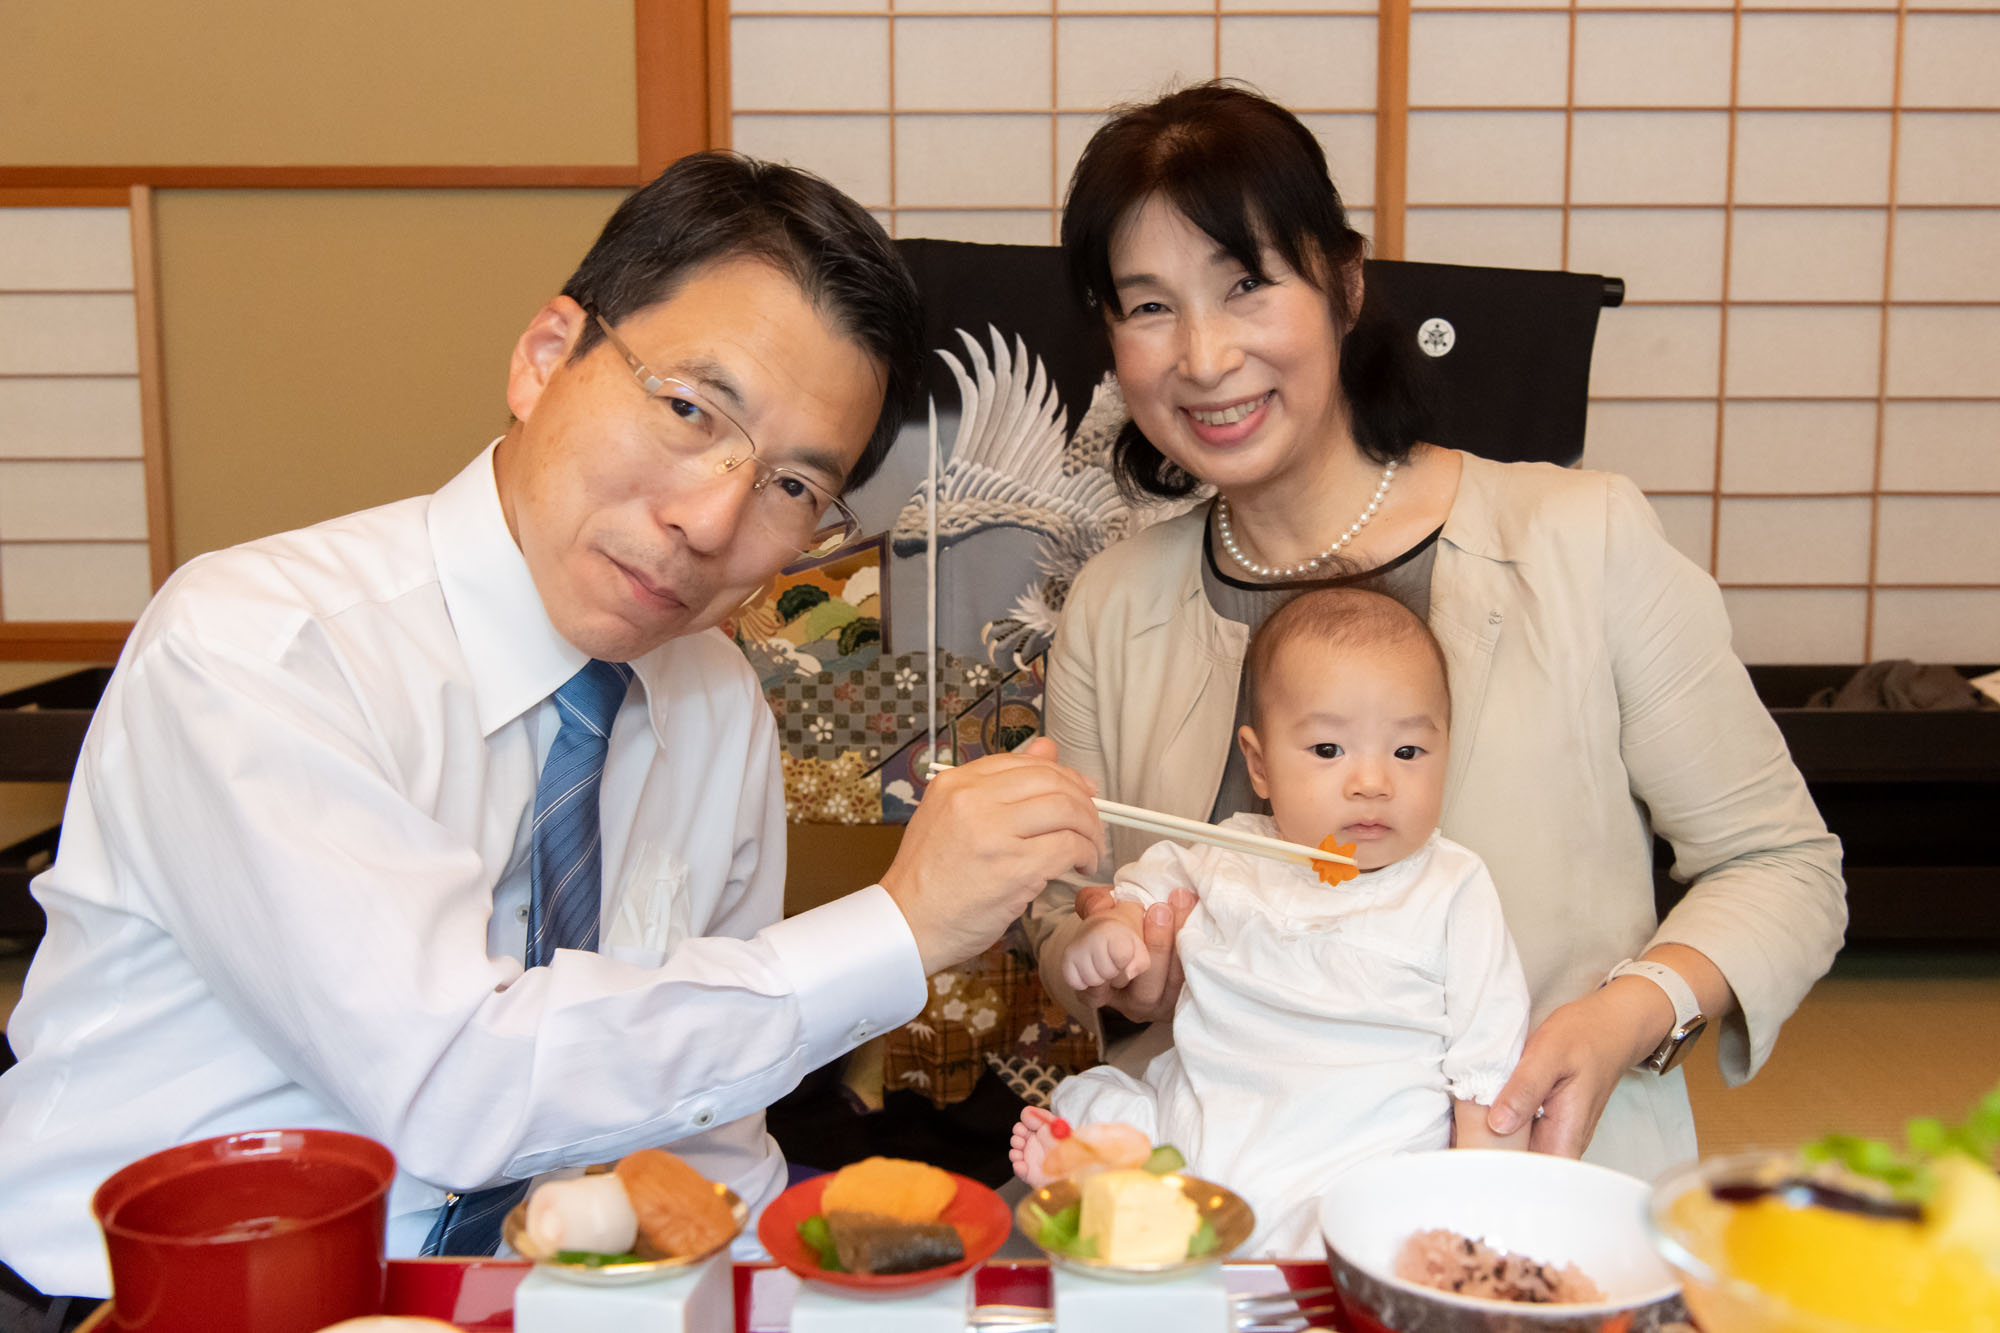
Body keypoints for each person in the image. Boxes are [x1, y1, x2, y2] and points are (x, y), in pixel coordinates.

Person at [0, 151, 1104, 1321]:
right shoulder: (260, 647)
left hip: (540, 1291)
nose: (709, 519)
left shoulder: (711, 695)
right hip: (146, 1297)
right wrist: (898, 924)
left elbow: (705, 1129)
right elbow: (452, 1084)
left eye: (790, 486)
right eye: (689, 409)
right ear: (544, 359)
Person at [1024, 82, 1846, 1188]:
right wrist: (1107, 962)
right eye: (1148, 306)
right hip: (1217, 1211)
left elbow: (1782, 868)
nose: (1204, 357)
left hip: (1535, 1191)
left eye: (1247, 284)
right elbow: (1063, 907)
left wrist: (1624, 1016)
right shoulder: (1112, 606)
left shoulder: (1578, 540)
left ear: (1343, 283)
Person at [1011, 587, 1531, 1256]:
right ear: (1259, 764)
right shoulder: (1232, 852)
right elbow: (1137, 898)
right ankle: (1127, 1177)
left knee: (1357, 1229)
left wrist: (1487, 1209)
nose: (1371, 781)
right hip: (1208, 1116)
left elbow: (1486, 1063)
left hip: (1355, 1149)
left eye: (1407, 752)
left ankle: (1190, 1228)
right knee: (1104, 1106)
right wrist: (1112, 934)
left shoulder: (1451, 886)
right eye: (1327, 749)